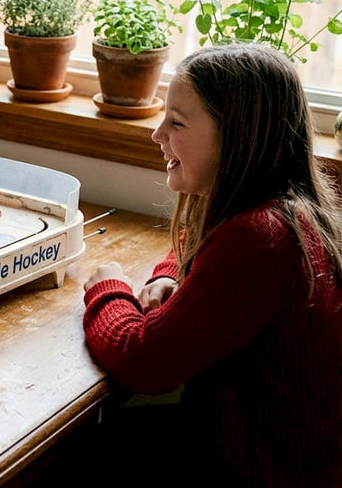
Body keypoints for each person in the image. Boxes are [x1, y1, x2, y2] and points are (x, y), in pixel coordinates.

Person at [81, 43, 342, 485]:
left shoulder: (259, 238)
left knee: (72, 456)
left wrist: (107, 288)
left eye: (177, 123)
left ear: (237, 136)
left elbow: (144, 362)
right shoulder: (290, 212)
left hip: (264, 471)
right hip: (273, 454)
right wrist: (169, 276)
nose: (157, 134)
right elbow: (191, 242)